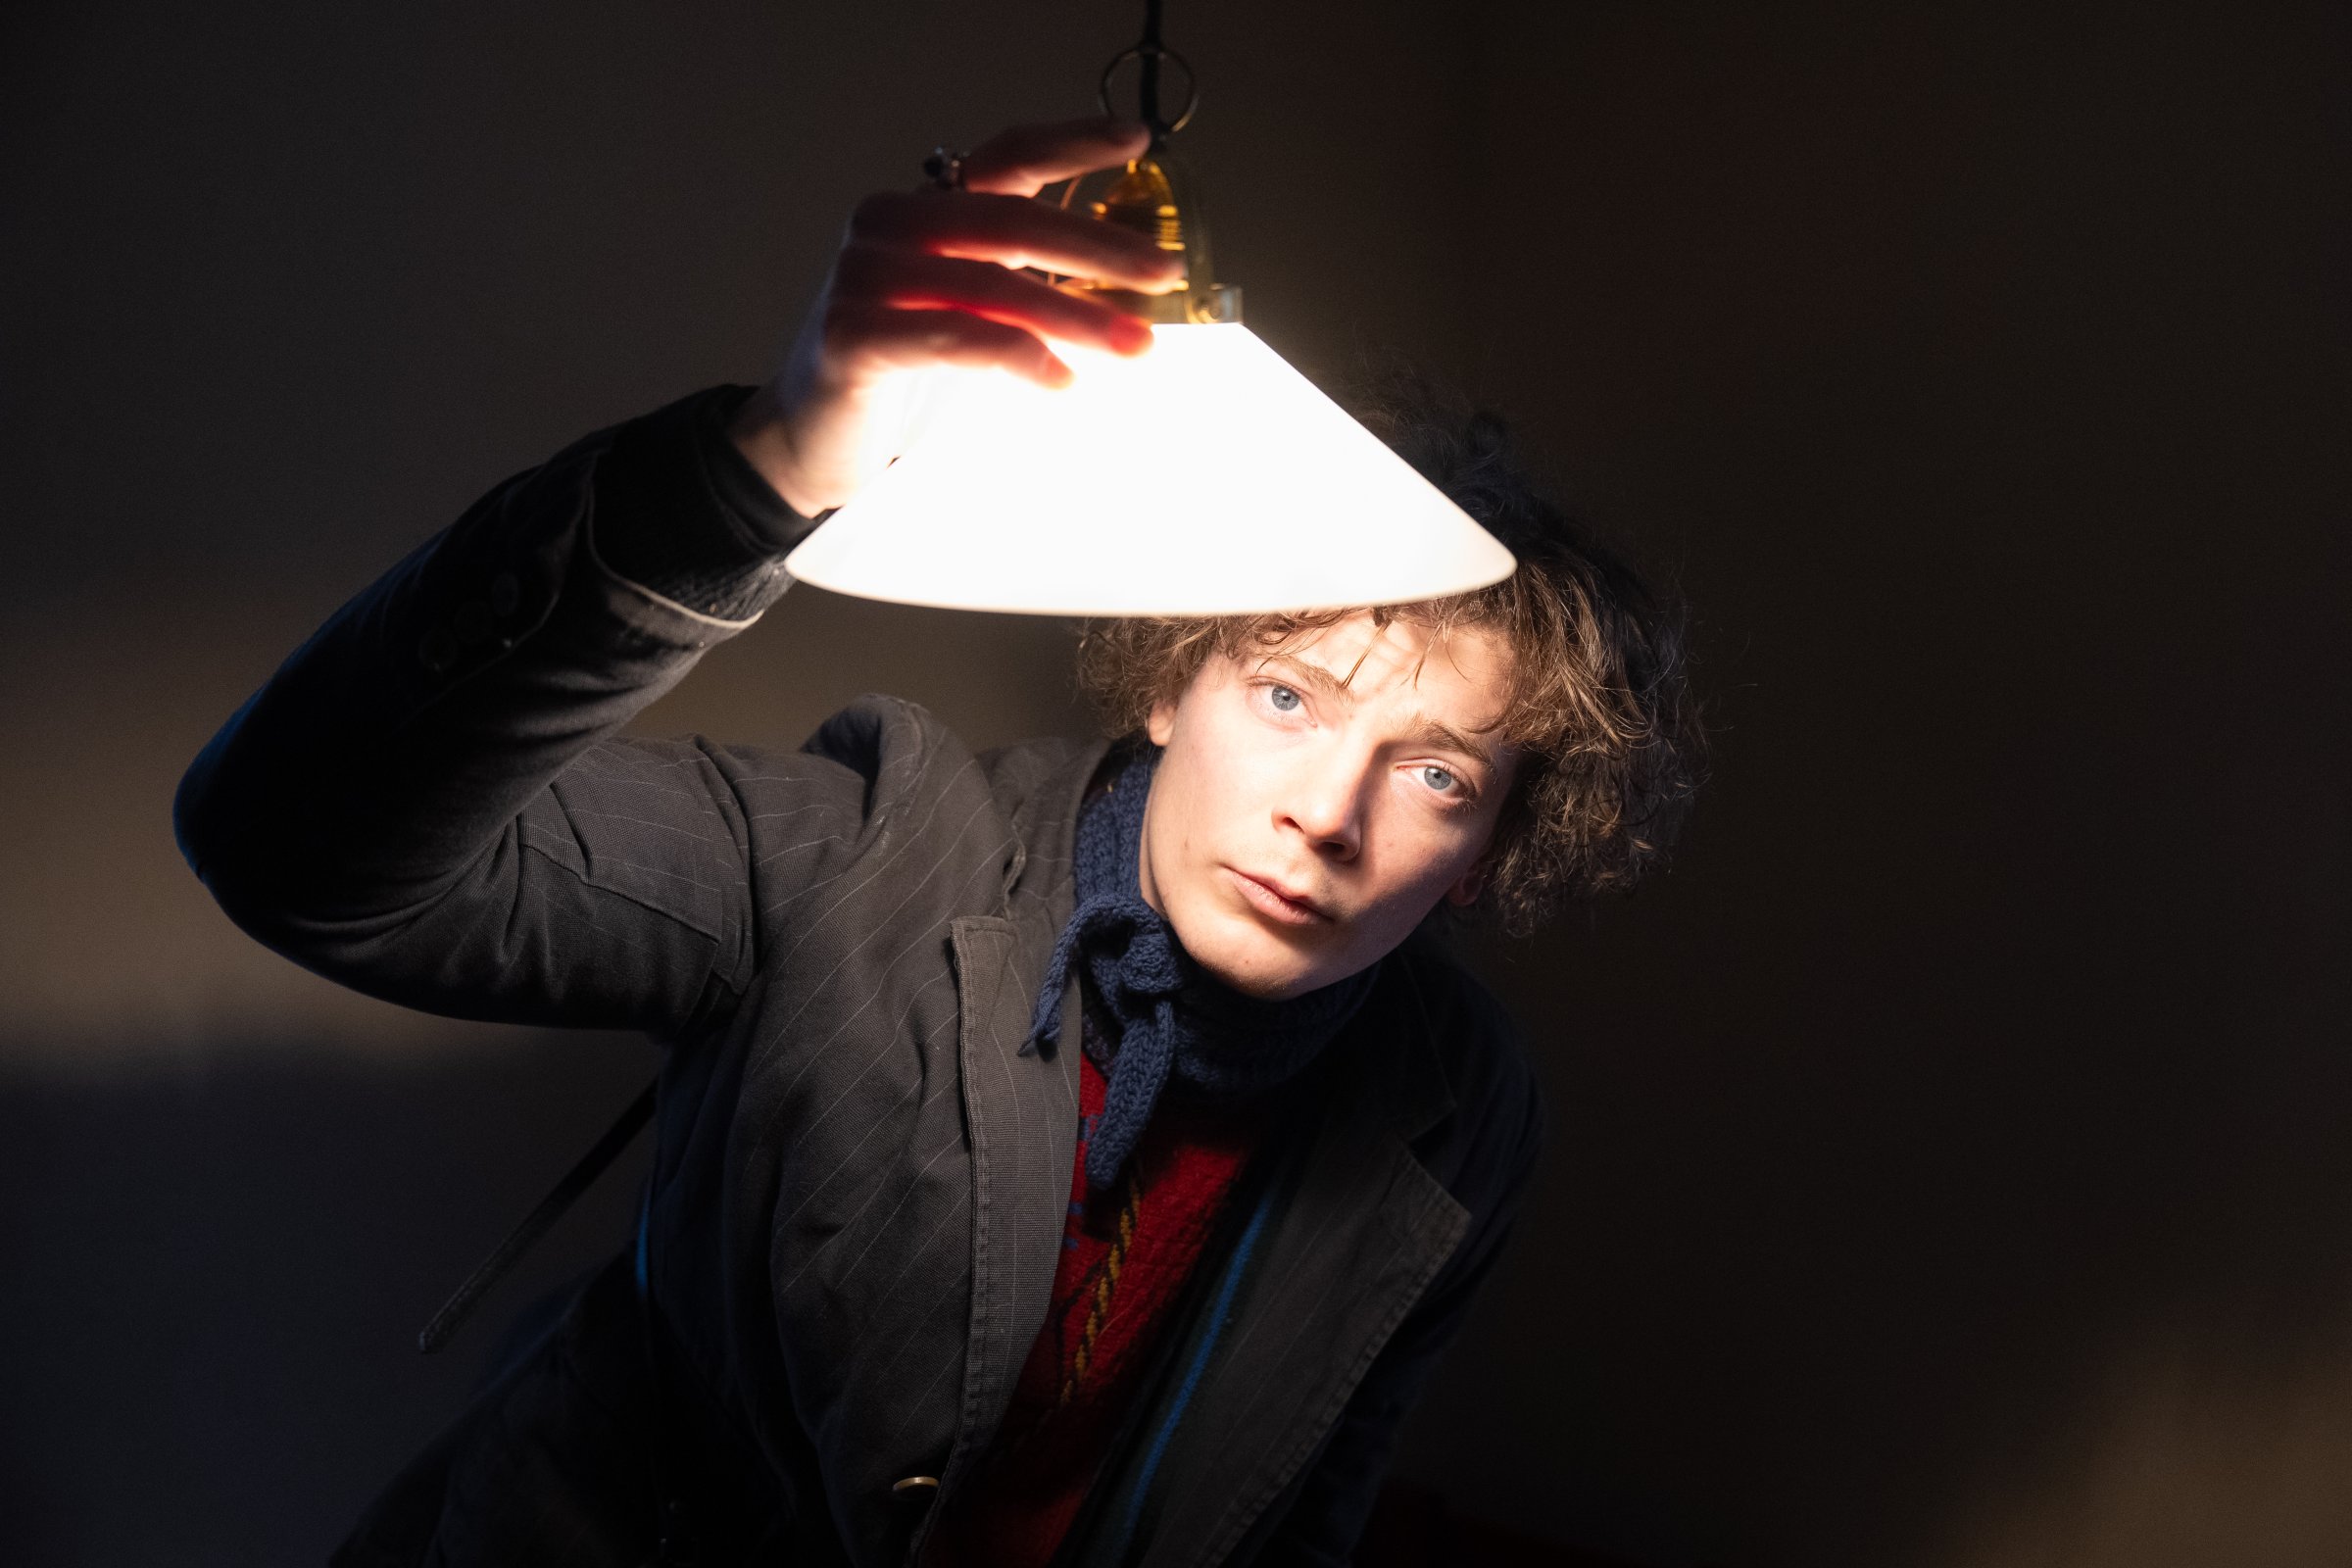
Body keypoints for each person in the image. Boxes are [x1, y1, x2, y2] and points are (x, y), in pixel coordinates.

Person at [174, 117, 1698, 1567]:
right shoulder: (858, 855)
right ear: (1172, 684)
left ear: (1492, 849)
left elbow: (1297, 1516)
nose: (1327, 813)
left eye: (1434, 774)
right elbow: (292, 848)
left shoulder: (1460, 1098)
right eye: (1288, 697)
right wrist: (758, 469)